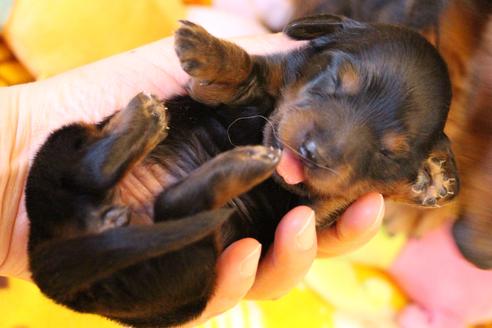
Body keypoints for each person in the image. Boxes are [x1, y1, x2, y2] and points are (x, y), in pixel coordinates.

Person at [0, 32, 384, 326]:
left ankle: (150, 181)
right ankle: (187, 202)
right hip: (159, 237)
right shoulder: (295, 68)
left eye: (386, 148)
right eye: (338, 87)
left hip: (120, 253)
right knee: (176, 289)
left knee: (167, 290)